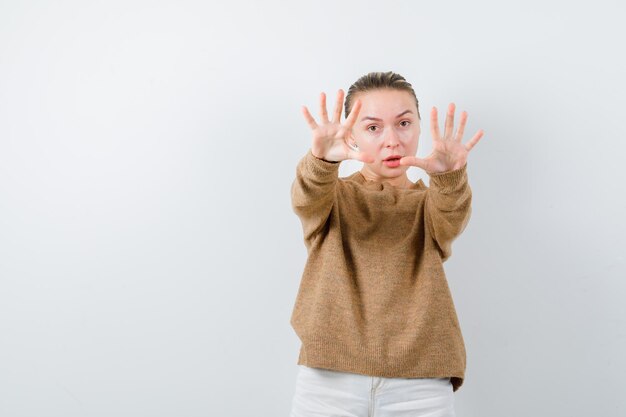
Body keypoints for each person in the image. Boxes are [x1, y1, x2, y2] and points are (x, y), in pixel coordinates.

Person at [288, 71, 484, 417]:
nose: (392, 140)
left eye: (404, 123)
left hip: (421, 383)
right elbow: (307, 197)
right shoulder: (334, 198)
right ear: (351, 135)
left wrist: (449, 178)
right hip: (329, 381)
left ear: (420, 128)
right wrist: (321, 163)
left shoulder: (429, 204)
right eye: (373, 127)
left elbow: (451, 218)